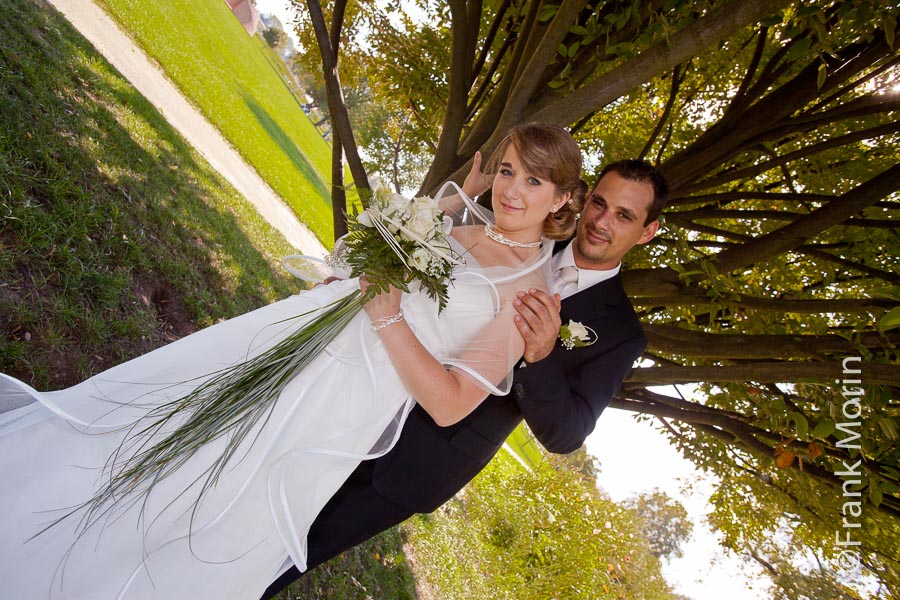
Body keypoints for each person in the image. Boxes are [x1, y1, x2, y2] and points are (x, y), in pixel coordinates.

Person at [0, 122, 585, 599]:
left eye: (535, 182)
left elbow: (452, 403)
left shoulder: (528, 296)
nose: (513, 191)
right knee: (178, 417)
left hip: (340, 406)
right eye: (508, 171)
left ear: (562, 199)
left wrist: (386, 315)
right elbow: (389, 253)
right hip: (300, 339)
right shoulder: (457, 224)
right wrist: (384, 255)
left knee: (222, 495)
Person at [262, 157, 668, 598]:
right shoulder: (518, 228)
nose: (601, 222)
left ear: (648, 231)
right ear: (583, 200)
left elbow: (566, 433)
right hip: (359, 391)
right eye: (599, 204)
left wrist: (542, 355)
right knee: (262, 497)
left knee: (287, 553)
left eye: (624, 216)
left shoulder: (622, 335)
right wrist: (344, 292)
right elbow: (413, 281)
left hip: (420, 456)